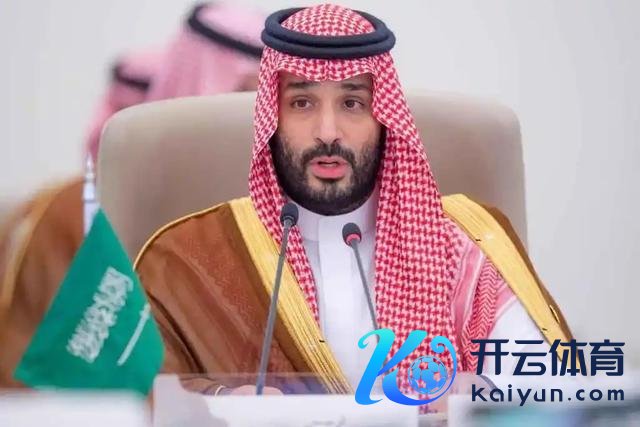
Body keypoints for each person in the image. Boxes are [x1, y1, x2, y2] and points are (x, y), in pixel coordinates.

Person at [134, 4, 573, 401]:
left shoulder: (462, 248)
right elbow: (141, 395)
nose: (328, 131)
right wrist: (221, 405)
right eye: (301, 102)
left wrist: (476, 397)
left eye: (352, 103)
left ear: (384, 119)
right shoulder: (186, 259)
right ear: (271, 116)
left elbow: (549, 392)